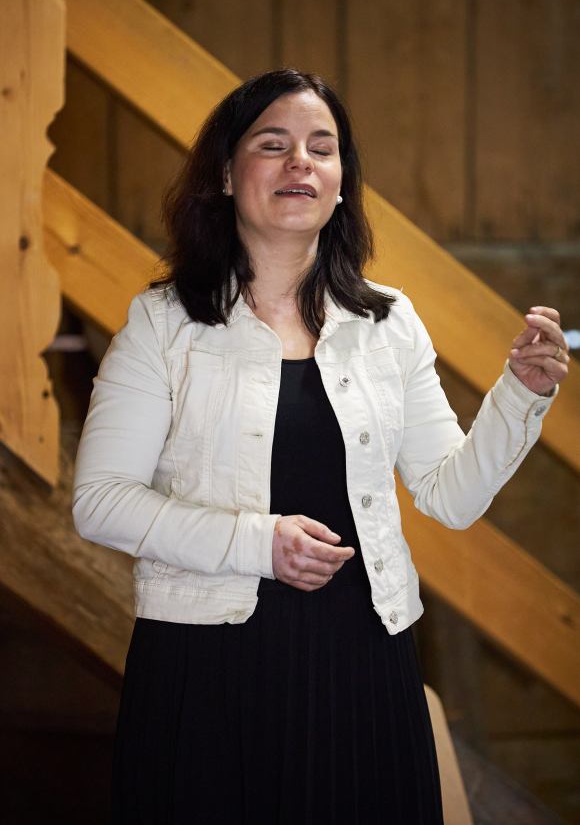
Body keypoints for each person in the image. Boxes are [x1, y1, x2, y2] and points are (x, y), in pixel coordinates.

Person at [72, 69, 569, 825]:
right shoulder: (163, 324)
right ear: (225, 175)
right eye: (273, 144)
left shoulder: (389, 322)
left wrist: (520, 396)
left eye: (321, 147)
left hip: (364, 658)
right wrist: (258, 544)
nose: (300, 161)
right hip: (207, 667)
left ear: (340, 183)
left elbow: (451, 496)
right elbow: (99, 502)